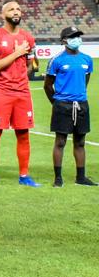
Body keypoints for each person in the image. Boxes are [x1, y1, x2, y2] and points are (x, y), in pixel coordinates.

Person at [0, 0, 39, 188]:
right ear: (2, 14)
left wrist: (24, 72)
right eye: (11, 9)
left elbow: (31, 64)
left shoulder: (28, 38)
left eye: (18, 9)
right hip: (1, 91)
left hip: (23, 92)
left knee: (23, 134)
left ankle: (24, 175)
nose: (16, 12)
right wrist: (16, 54)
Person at [44, 26, 96, 187]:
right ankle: (58, 179)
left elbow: (85, 81)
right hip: (62, 106)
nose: (77, 39)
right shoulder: (56, 60)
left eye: (79, 35)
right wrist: (57, 103)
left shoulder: (87, 59)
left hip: (82, 105)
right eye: (73, 36)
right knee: (60, 142)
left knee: (80, 142)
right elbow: (47, 85)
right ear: (64, 40)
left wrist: (78, 96)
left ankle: (81, 178)